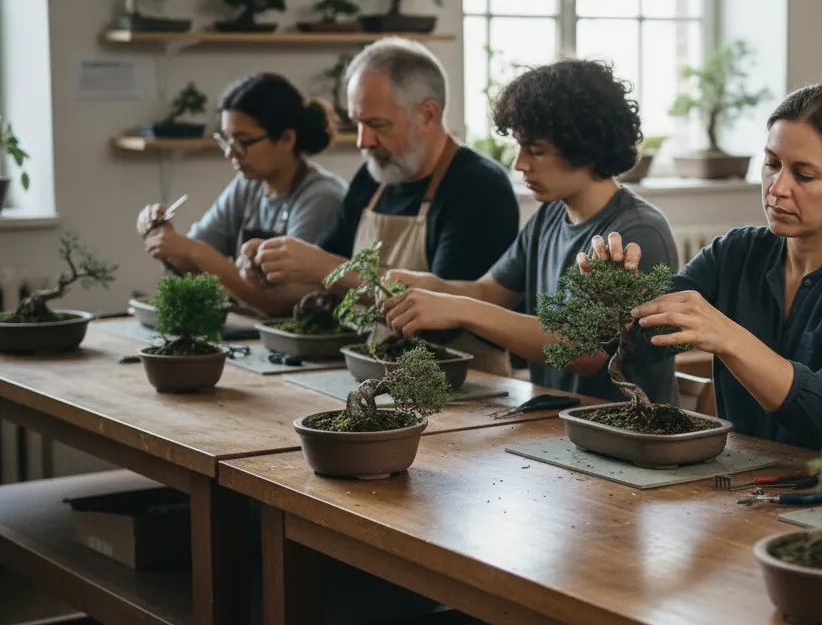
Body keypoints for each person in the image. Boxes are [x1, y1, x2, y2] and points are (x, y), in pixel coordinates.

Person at [582, 84, 822, 450]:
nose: (777, 188)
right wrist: (617, 303)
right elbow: (646, 348)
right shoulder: (735, 252)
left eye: (804, 175)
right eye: (772, 165)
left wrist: (730, 338)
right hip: (739, 482)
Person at [377, 59, 679, 404]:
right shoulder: (550, 215)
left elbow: (582, 352)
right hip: (555, 426)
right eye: (519, 147)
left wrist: (459, 309)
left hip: (626, 436)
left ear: (586, 148)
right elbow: (490, 292)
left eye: (535, 150)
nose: (519, 164)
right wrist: (430, 286)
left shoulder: (635, 231)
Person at [238, 37, 519, 372]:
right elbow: (318, 281)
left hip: (465, 388)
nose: (362, 141)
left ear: (427, 114)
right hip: (374, 373)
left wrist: (323, 267)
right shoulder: (373, 177)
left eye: (376, 125)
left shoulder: (479, 187)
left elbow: (440, 321)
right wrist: (274, 267)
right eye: (357, 123)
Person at [134, 73, 347, 313]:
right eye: (226, 140)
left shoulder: (322, 196)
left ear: (286, 139)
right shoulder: (249, 185)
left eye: (242, 141)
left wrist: (195, 251)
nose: (230, 153)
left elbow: (286, 301)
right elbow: (193, 265)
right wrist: (164, 239)